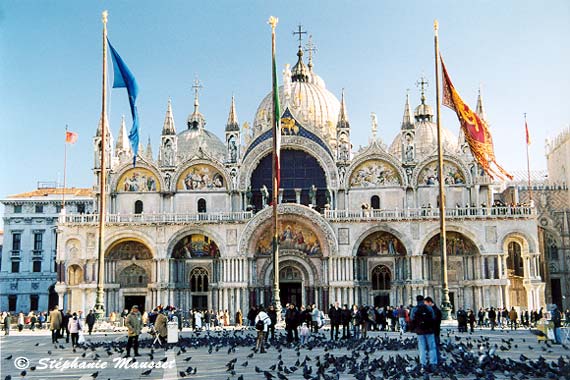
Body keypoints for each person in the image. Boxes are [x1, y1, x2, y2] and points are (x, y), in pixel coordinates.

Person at [410, 295, 437, 372]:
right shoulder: (429, 308)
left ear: (417, 300)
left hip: (420, 331)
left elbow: (411, 319)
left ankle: (423, 364)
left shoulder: (414, 309)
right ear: (423, 300)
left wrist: (415, 328)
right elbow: (433, 317)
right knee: (432, 348)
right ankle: (433, 364)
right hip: (429, 331)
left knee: (422, 348)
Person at [424, 297, 442, 364]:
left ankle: (436, 362)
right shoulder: (434, 310)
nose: (425, 305)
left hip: (434, 332)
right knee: (433, 347)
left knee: (434, 347)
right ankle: (435, 361)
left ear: (430, 302)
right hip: (433, 331)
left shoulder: (435, 311)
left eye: (426, 304)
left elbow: (434, 322)